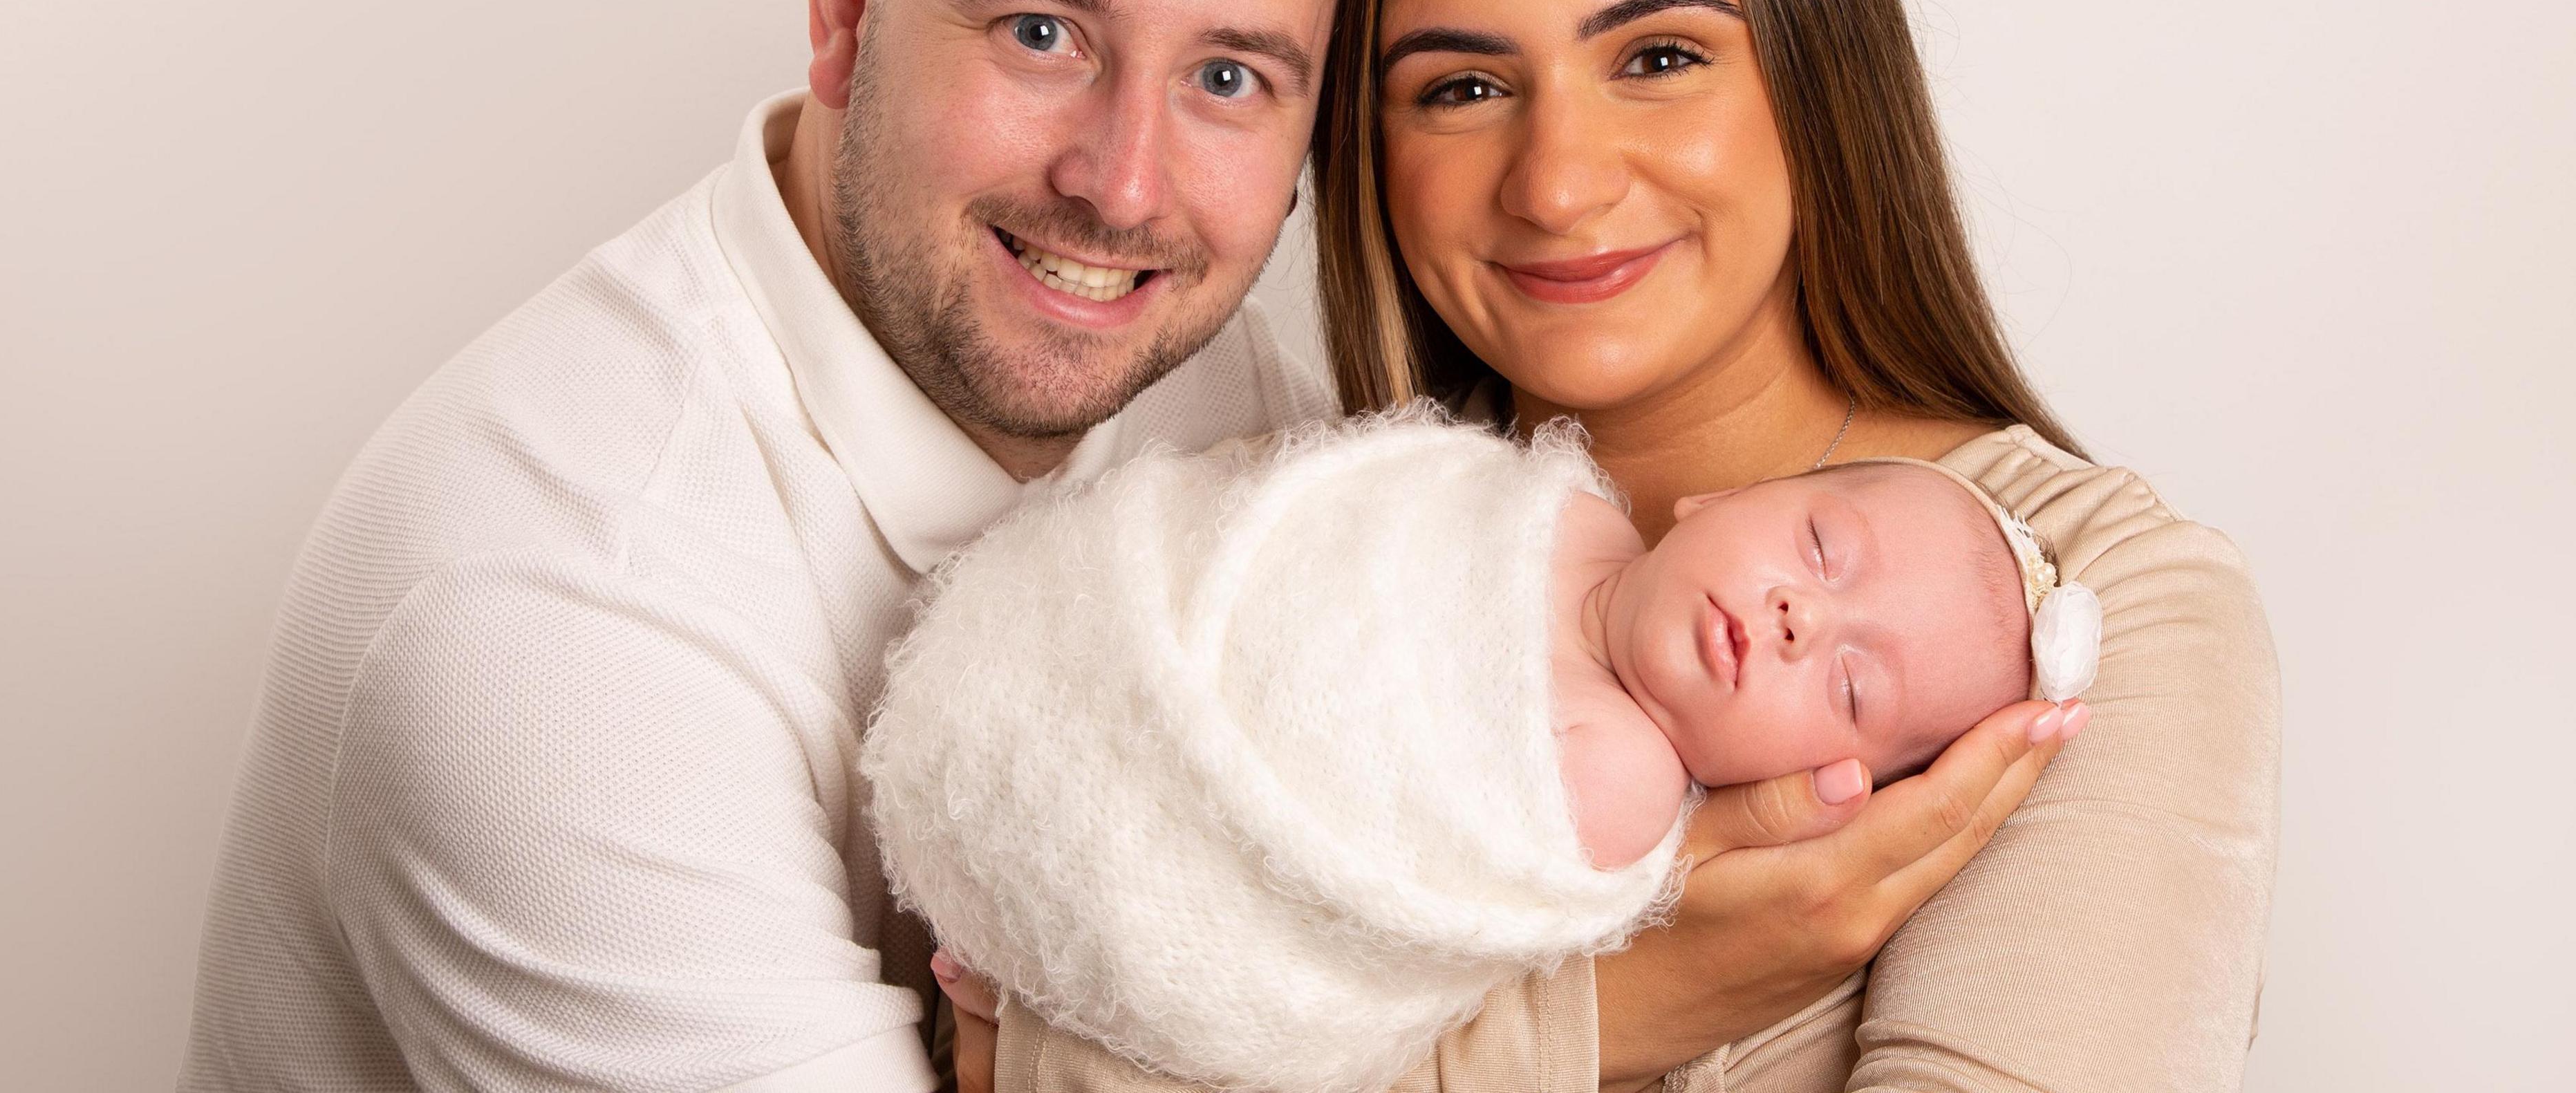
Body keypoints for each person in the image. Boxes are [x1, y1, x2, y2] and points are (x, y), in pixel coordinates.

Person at [977, 0, 2278, 1092]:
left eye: (1658, 58)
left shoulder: (2088, 613)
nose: (1558, 181)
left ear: (1824, 77)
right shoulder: (1290, 554)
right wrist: (1649, 1000)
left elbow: (1060, 1061)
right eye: (1463, 87)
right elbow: (1018, 964)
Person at [179, 0, 1349, 1092]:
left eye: (1228, 78)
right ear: (845, 12)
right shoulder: (548, 602)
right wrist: (1652, 1002)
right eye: (1043, 33)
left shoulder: (1225, 405)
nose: (1121, 188)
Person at [864, 412, 2100, 1093]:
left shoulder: (1619, 786)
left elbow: (1382, 948)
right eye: (1821, 550)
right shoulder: (1546, 496)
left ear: (1819, 787)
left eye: (1846, 682)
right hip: (1078, 673)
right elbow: (1298, 530)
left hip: (1169, 853)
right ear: (1721, 501)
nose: (1796, 617)